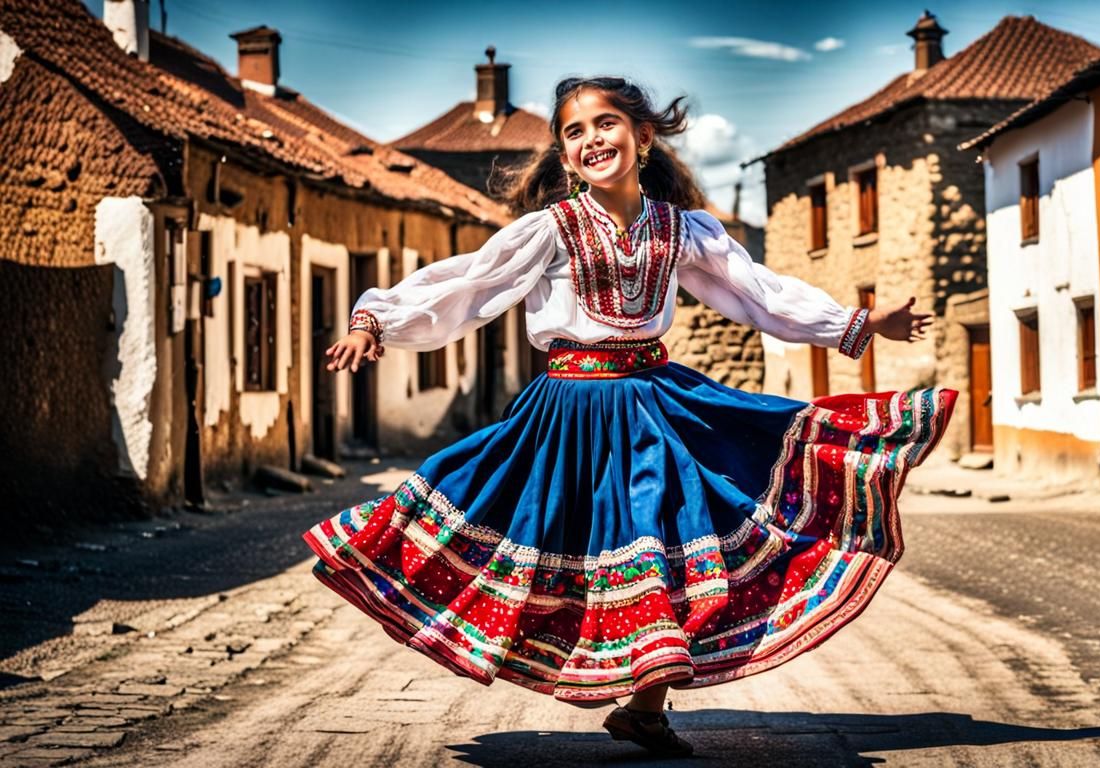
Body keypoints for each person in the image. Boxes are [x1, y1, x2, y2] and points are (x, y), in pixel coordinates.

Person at [308, 75, 957, 758]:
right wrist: (378, 320)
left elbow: (758, 291)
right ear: (564, 156)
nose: (592, 139)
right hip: (567, 417)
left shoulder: (684, 231)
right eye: (575, 132)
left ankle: (645, 708)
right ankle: (606, 686)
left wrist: (855, 322)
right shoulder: (550, 230)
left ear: (643, 137)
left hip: (656, 408)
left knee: (666, 545)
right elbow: (471, 282)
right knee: (536, 536)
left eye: (606, 123)